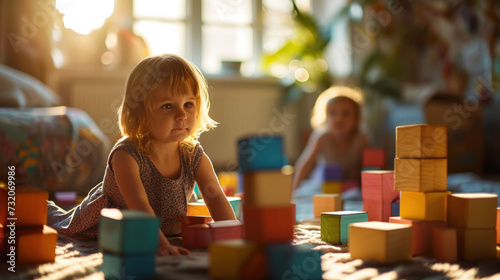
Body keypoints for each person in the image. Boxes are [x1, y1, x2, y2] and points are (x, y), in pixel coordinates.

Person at [47, 54, 236, 255]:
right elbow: (138, 206)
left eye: (188, 104)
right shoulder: (126, 155)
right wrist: (161, 245)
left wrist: (236, 235)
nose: (181, 115)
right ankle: (34, 204)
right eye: (168, 106)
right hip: (107, 225)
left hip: (165, 230)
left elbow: (215, 197)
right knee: (55, 220)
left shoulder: (194, 155)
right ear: (139, 112)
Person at [292, 86, 367, 191]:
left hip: (348, 186)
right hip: (322, 184)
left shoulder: (361, 139)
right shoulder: (321, 137)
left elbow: (369, 165)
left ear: (356, 119)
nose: (339, 118)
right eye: (332, 113)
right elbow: (305, 165)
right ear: (325, 117)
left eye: (346, 114)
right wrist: (294, 190)